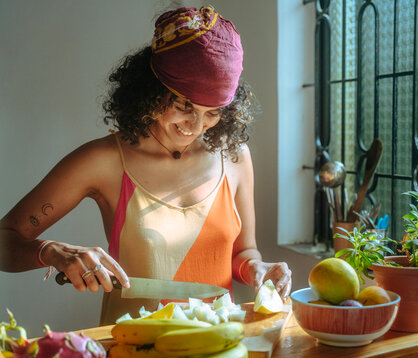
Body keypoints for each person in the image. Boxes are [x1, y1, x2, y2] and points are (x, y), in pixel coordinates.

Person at [0, 5, 291, 325]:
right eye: (184, 106)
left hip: (219, 346)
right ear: (152, 89)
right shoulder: (103, 162)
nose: (195, 126)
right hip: (132, 348)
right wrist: (51, 251)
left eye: (212, 113)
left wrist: (257, 269)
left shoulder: (234, 157)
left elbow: (243, 253)